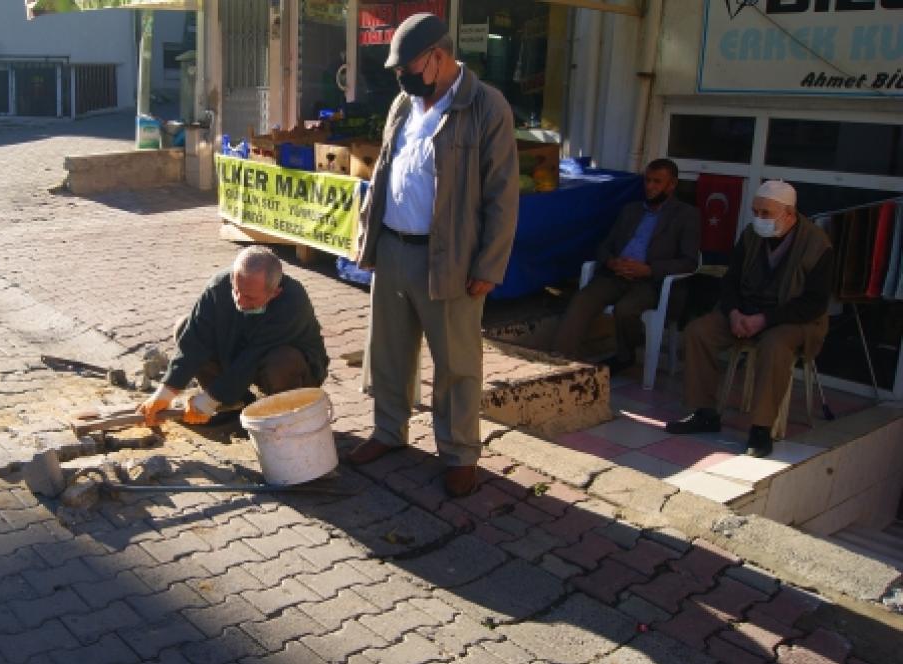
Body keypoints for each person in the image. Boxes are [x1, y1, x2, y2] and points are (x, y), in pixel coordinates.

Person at [342, 13, 520, 498]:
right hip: (396, 248)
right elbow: (384, 171)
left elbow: (503, 196)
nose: (402, 77)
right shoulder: (405, 102)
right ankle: (388, 431)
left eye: (410, 66)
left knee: (456, 364)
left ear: (438, 58)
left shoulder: (486, 106)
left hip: (452, 261)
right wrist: (370, 239)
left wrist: (488, 266)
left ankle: (460, 454)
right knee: (389, 352)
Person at [665, 180, 833, 457]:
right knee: (699, 332)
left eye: (766, 213)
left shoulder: (817, 245)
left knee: (775, 346)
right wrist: (733, 312)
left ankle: (760, 428)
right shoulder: (751, 235)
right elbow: (730, 281)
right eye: (756, 212)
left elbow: (814, 303)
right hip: (745, 309)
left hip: (792, 318)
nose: (759, 219)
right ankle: (705, 412)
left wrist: (764, 320)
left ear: (789, 214)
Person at [137, 246, 329, 426]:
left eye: (250, 297)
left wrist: (208, 399)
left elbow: (252, 357)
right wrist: (166, 392)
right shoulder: (218, 287)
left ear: (275, 292)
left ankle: (284, 418)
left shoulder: (292, 302)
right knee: (184, 327)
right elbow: (194, 339)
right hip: (240, 353)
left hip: (289, 369)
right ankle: (232, 405)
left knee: (282, 361)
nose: (239, 300)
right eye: (236, 290)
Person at [551, 159, 700, 372]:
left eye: (657, 182)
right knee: (583, 299)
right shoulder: (631, 210)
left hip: (649, 282)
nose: (650, 186)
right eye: (647, 180)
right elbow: (604, 246)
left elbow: (689, 261)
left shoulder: (686, 215)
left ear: (672, 184)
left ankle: (626, 354)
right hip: (615, 275)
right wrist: (612, 261)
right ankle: (559, 361)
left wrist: (648, 269)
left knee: (626, 310)